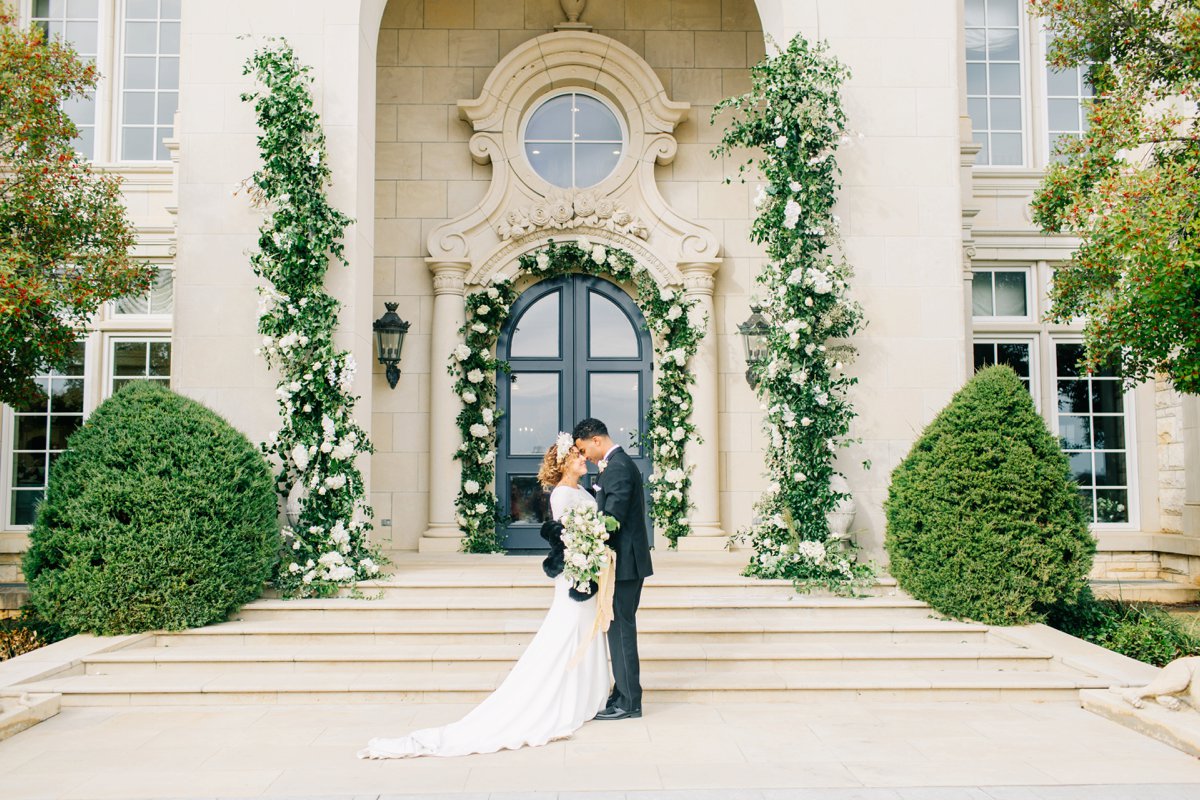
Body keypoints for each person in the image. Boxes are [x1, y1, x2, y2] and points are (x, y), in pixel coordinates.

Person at [357, 435, 610, 759]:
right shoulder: (562, 495)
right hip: (574, 573)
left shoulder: (583, 491)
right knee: (568, 632)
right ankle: (562, 698)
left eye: (581, 454)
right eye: (576, 455)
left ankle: (588, 694)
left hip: (587, 571)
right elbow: (569, 537)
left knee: (584, 630)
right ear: (563, 463)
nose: (582, 459)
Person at [573, 417, 653, 721]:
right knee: (618, 627)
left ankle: (629, 701)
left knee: (621, 629)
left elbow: (612, 518)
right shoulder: (615, 463)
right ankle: (622, 692)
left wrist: (587, 539)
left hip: (626, 564)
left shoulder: (617, 466)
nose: (585, 457)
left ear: (596, 440)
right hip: (625, 562)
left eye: (584, 450)